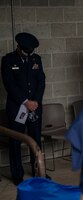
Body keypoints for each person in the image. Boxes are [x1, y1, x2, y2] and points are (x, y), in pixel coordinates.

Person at [1, 32, 46, 185]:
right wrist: (26, 101)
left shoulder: (36, 59)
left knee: (35, 140)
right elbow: (9, 85)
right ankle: (17, 175)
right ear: (19, 47)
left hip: (34, 108)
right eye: (26, 51)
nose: (29, 54)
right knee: (15, 142)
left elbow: (41, 81)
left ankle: (38, 172)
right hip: (17, 108)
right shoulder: (8, 60)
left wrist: (35, 102)